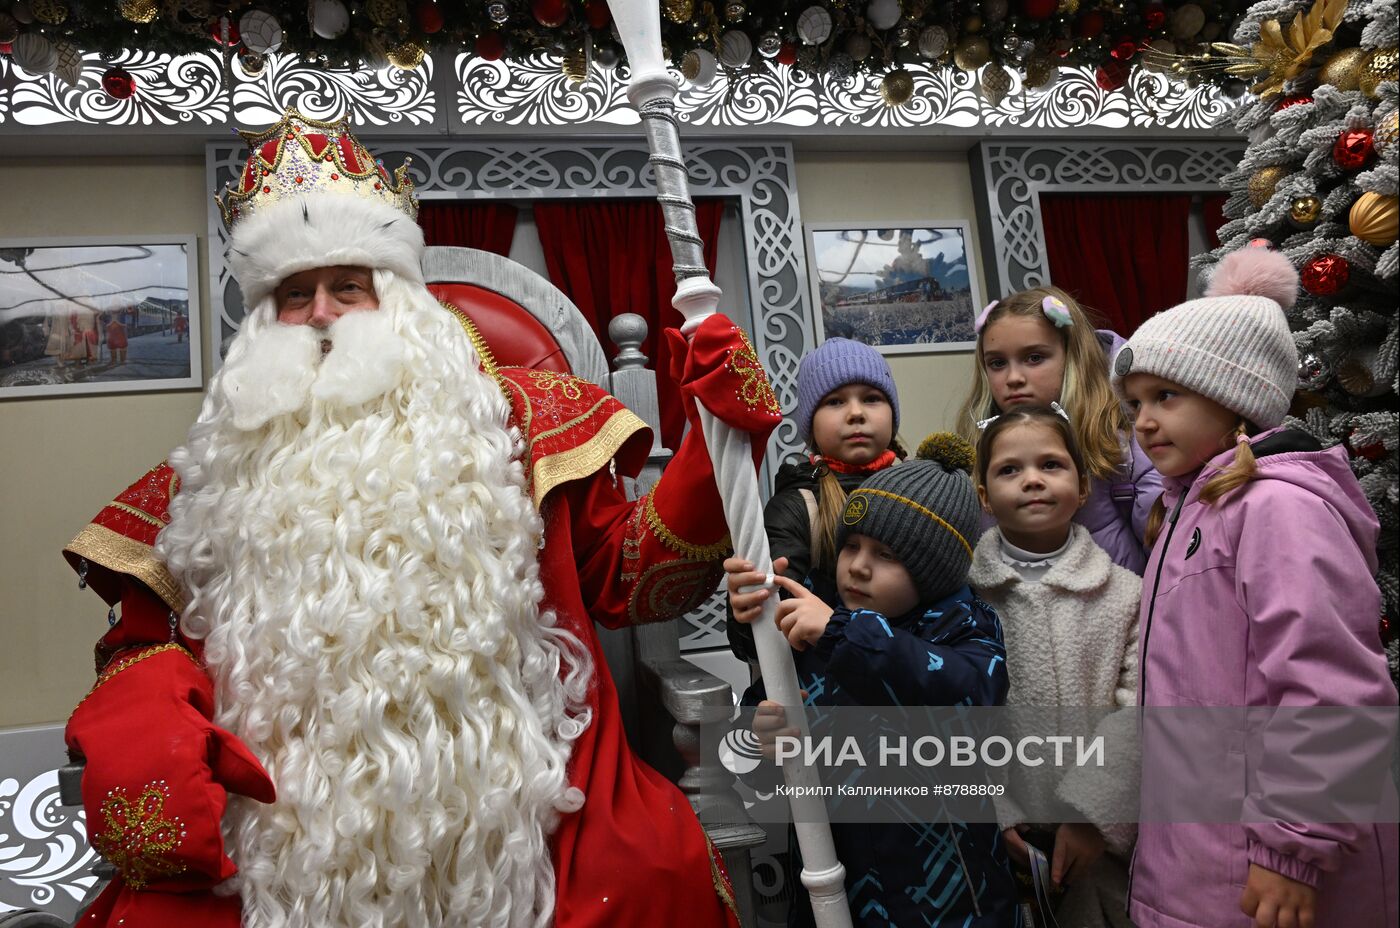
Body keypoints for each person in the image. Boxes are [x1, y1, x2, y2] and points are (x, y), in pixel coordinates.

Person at [59, 110, 780, 928]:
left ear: (397, 297)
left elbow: (638, 581)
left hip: (530, 803)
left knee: (652, 876)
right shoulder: (217, 471)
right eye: (295, 294)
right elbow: (145, 640)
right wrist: (146, 708)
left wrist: (717, 449)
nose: (324, 313)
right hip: (283, 836)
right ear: (264, 318)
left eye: (348, 285)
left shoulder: (521, 424)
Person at [1113, 246, 1398, 928]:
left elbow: (1331, 687)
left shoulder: (1278, 510)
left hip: (1268, 870)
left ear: (1232, 396)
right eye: (1136, 403)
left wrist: (1294, 846)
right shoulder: (1196, 508)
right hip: (1201, 860)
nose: (1143, 421)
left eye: (1166, 396)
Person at [737, 445, 1020, 927]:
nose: (859, 567)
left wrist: (843, 634)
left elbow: (967, 695)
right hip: (834, 893)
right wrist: (758, 737)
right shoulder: (823, 630)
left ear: (933, 571)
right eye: (851, 546)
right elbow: (751, 767)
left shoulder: (962, 628)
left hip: (950, 903)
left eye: (886, 554)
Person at [968, 404, 1140, 928]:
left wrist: (1091, 812)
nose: (1033, 481)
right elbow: (953, 714)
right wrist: (994, 815)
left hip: (1099, 853)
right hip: (996, 849)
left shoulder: (1125, 595)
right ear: (984, 497)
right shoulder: (963, 599)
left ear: (1083, 486)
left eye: (1051, 464)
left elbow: (1139, 707)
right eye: (1009, 470)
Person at [956, 288, 1161, 574]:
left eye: (1034, 358)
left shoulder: (1122, 442)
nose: (1013, 378)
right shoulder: (974, 450)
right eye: (997, 363)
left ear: (1072, 355)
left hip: (1118, 607)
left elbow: (1168, 549)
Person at [725, 337, 903, 666]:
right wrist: (747, 612)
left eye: (872, 398)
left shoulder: (924, 491)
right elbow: (761, 644)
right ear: (811, 424)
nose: (856, 413)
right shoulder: (797, 504)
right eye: (835, 402)